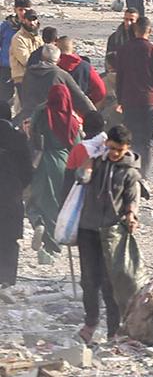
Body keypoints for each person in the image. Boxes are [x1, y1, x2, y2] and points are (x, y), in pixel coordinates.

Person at [76, 124, 143, 344]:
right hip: (88, 228)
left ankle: (113, 329)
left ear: (127, 148)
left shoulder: (129, 171)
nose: (115, 153)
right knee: (88, 280)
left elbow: (132, 199)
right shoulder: (97, 161)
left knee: (110, 282)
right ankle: (90, 322)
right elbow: (81, 178)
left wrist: (131, 216)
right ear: (106, 144)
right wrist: (88, 163)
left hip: (112, 232)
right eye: (112, 148)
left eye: (119, 150)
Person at [27, 81, 81, 255]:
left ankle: (39, 224)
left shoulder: (41, 113)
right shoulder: (72, 119)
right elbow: (77, 145)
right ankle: (54, 243)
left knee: (37, 200)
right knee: (57, 203)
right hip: (63, 163)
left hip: (41, 161)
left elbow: (31, 134)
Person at [114, 17, 153, 179]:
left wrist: (120, 99)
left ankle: (131, 173)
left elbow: (119, 77)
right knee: (147, 140)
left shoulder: (123, 50)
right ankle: (144, 176)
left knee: (131, 138)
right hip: (149, 100)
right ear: (149, 31)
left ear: (135, 31)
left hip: (129, 99)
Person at [0, 101, 34, 285]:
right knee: (9, 237)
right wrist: (19, 186)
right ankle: (6, 278)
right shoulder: (18, 138)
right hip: (11, 193)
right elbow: (28, 170)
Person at [9, 9, 42, 112]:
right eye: (29, 20)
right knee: (23, 111)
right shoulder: (18, 38)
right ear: (24, 21)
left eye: (34, 19)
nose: (32, 23)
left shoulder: (37, 37)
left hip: (35, 78)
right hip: (22, 79)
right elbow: (26, 60)